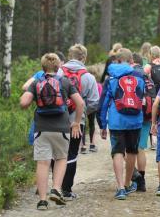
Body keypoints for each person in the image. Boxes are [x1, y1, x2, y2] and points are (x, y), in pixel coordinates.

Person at [20, 53, 84, 210]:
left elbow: (24, 103)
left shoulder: (36, 82)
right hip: (62, 128)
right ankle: (56, 188)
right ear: (59, 66)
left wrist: (31, 92)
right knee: (61, 158)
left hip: (41, 128)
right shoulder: (65, 81)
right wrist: (75, 123)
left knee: (42, 163)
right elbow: (80, 103)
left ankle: (42, 201)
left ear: (42, 68)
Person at [97, 48, 145, 200]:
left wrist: (102, 125)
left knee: (117, 152)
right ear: (131, 61)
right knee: (132, 152)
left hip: (117, 121)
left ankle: (120, 188)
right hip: (135, 121)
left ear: (117, 61)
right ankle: (127, 183)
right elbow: (141, 98)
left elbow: (103, 104)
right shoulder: (140, 78)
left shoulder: (110, 79)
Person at [59, 44, 99, 200]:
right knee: (71, 154)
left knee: (57, 153)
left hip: (56, 120)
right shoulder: (88, 77)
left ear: (69, 56)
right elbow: (94, 102)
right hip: (76, 122)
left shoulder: (58, 72)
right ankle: (66, 190)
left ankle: (55, 187)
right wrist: (81, 113)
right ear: (84, 58)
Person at [130, 53, 154, 192]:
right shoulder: (147, 76)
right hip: (146, 115)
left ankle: (135, 176)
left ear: (132, 62)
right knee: (140, 148)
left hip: (132, 115)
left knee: (129, 149)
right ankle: (142, 181)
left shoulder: (130, 74)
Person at [81, 66, 102, 153]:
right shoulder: (99, 85)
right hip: (93, 105)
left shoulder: (83, 81)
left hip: (83, 102)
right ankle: (92, 144)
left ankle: (83, 146)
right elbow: (99, 96)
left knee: (83, 124)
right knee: (92, 123)